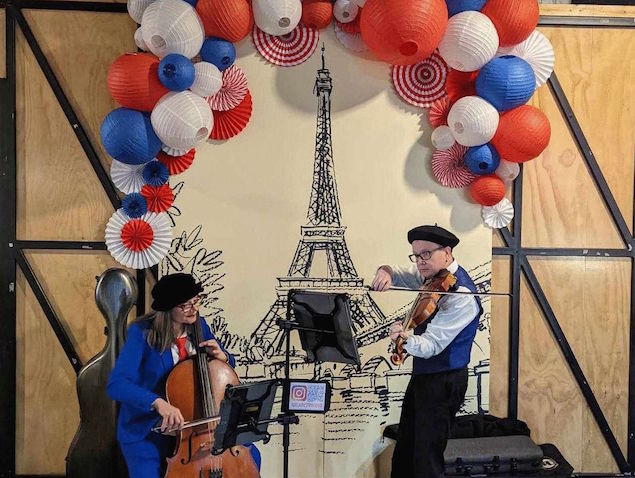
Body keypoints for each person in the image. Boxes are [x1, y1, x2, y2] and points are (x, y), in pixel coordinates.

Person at [107, 272, 261, 477]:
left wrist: (223, 357)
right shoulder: (141, 333)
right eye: (185, 305)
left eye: (196, 301)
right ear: (167, 307)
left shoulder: (199, 325)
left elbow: (222, 371)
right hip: (149, 429)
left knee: (252, 456)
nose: (194, 309)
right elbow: (117, 384)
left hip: (195, 426)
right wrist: (158, 403)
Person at [371, 225, 483, 478]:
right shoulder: (431, 275)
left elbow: (432, 345)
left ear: (446, 252)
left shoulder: (461, 294)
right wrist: (385, 272)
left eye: (426, 254)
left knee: (426, 458)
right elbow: (399, 273)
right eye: (416, 255)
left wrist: (405, 338)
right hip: (424, 378)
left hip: (444, 381)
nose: (420, 262)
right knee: (406, 450)